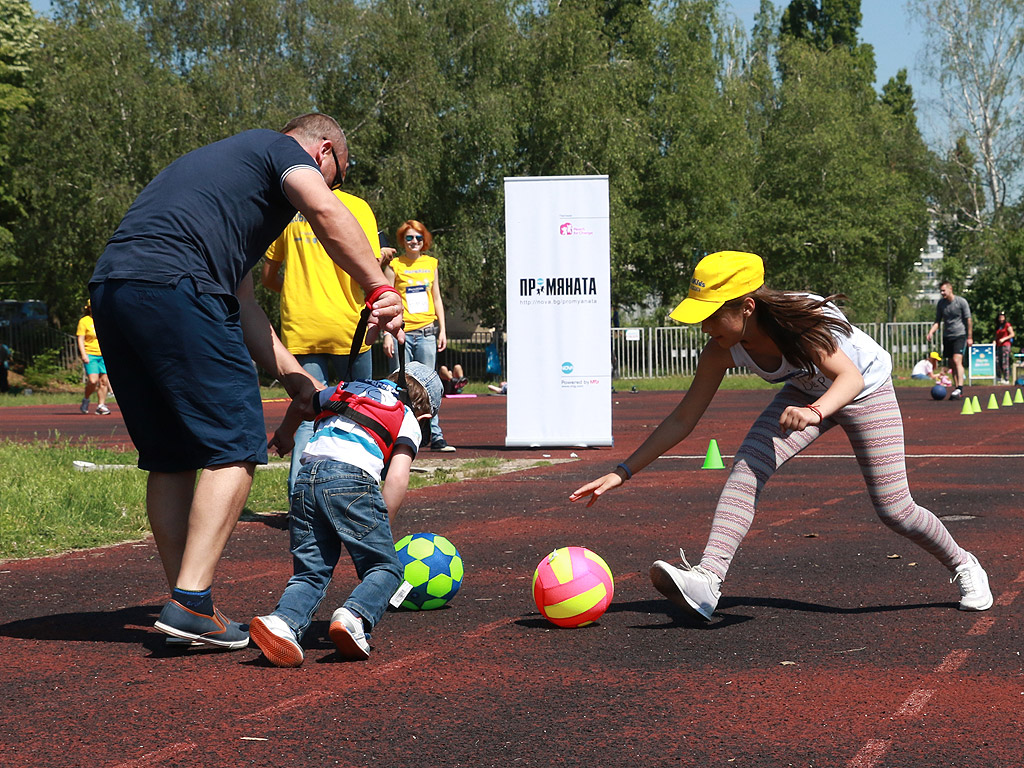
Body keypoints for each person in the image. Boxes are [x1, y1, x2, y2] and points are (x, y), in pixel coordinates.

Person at [88, 113, 404, 650]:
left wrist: (295, 378)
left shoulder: (223, 182)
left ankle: (187, 606)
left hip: (115, 288)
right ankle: (190, 601)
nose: (331, 186)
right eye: (338, 174)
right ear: (322, 151)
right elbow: (326, 212)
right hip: (178, 285)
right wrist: (377, 287)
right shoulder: (279, 152)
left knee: (171, 456)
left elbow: (244, 303)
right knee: (234, 443)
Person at [570, 251, 992, 622]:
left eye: (713, 314)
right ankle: (708, 581)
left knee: (894, 509)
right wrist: (623, 472)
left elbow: (849, 377)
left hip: (864, 390)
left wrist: (814, 412)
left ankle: (964, 564)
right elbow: (683, 418)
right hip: (805, 394)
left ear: (747, 306)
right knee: (747, 467)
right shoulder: (722, 347)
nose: (704, 326)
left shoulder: (801, 320)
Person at [250, 361, 443, 667]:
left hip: (306, 478)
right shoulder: (406, 416)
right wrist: (383, 524)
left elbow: (303, 402)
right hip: (351, 481)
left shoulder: (349, 389)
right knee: (385, 567)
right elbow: (396, 478)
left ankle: (282, 622)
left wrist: (286, 435)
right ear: (426, 416)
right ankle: (353, 615)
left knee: (311, 571)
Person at [262, 186, 387, 497]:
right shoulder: (357, 206)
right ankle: (360, 493)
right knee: (364, 412)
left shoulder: (289, 206)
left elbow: (267, 277)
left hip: (303, 322)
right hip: (350, 325)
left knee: (306, 412)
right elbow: (369, 269)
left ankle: (300, 500)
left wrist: (296, 291)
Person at [383, 219, 455, 452]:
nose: (414, 242)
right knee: (399, 384)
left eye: (418, 238)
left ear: (424, 240)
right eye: (409, 238)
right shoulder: (395, 265)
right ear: (402, 241)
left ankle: (435, 435)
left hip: (426, 331)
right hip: (401, 332)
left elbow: (436, 298)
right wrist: (386, 334)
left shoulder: (430, 263)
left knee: (431, 385)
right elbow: (385, 298)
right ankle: (397, 434)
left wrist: (442, 329)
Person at [926, 281, 972, 400]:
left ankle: (960, 387)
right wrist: (931, 332)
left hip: (960, 335)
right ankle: (957, 388)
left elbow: (969, 320)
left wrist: (970, 337)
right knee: (952, 363)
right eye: (940, 291)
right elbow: (937, 321)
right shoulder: (941, 304)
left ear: (950, 289)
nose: (942, 293)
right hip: (947, 336)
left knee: (957, 360)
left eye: (943, 290)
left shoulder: (961, 302)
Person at [75, 301, 111, 415]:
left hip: (103, 355)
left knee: (104, 381)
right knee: (93, 380)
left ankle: (101, 405)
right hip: (90, 354)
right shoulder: (84, 321)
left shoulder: (104, 319)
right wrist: (83, 354)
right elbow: (80, 338)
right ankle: (86, 399)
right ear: (89, 308)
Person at [994, 311, 1015, 385]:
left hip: (1005, 345)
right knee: (997, 361)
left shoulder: (1007, 325)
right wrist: (994, 341)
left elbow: (1012, 334)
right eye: (1000, 317)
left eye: (1002, 317)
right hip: (999, 346)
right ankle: (999, 377)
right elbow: (997, 336)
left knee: (1004, 362)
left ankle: (1006, 379)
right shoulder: (998, 326)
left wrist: (1004, 339)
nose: (1001, 318)